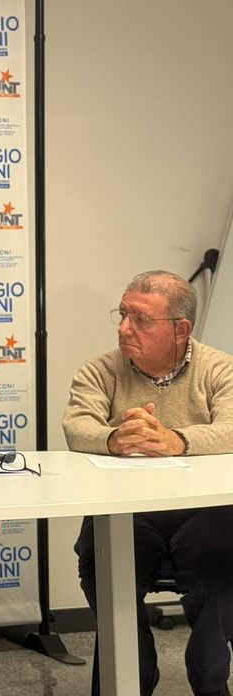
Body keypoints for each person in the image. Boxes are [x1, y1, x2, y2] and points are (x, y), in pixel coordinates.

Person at [64, 270, 233, 696]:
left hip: (205, 509)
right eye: (122, 314)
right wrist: (114, 438)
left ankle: (209, 678)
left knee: (220, 563)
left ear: (181, 330)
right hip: (128, 508)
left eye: (141, 319)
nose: (124, 328)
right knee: (98, 560)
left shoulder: (221, 369)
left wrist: (177, 441)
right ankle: (132, 675)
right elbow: (78, 426)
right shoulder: (100, 371)